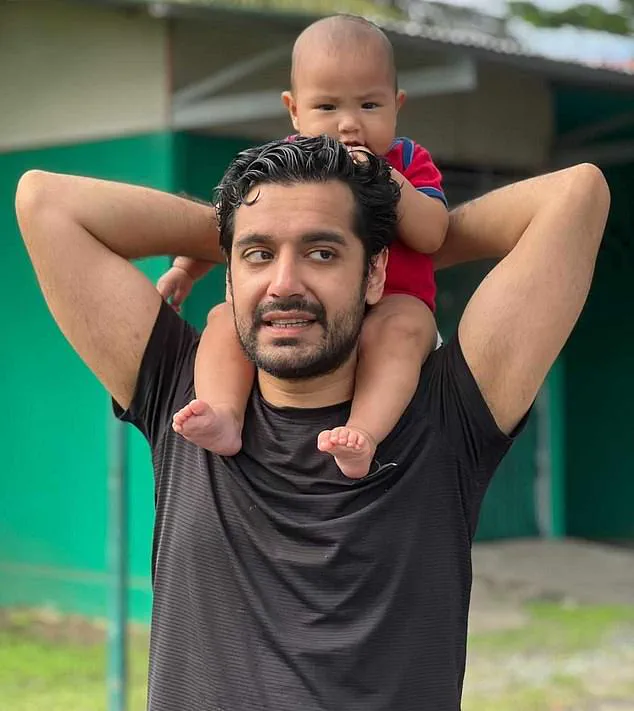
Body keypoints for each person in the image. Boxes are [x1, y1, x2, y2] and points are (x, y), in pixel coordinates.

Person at [16, 135, 609, 710]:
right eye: (258, 256)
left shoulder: (447, 411)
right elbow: (45, 202)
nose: (284, 285)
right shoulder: (187, 395)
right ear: (229, 275)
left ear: (374, 275)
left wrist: (415, 238)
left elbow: (575, 196)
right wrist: (246, 220)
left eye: (322, 253)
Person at [157, 14, 449, 479]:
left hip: (394, 303)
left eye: (370, 105)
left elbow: (433, 234)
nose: (349, 124)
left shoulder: (408, 161)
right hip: (308, 318)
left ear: (397, 105)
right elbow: (229, 226)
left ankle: (364, 435)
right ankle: (225, 414)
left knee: (401, 327)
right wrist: (184, 270)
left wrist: (389, 180)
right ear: (294, 111)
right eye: (327, 107)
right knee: (223, 319)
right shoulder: (288, 166)